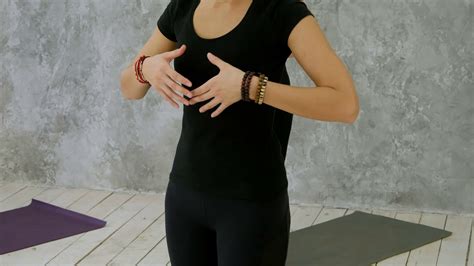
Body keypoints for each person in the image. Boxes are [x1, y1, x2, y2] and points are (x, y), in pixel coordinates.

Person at [119, 0, 359, 265]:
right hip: (183, 197)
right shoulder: (183, 6)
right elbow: (129, 89)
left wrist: (250, 87)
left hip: (251, 204)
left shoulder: (281, 10)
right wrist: (145, 69)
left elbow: (345, 105)